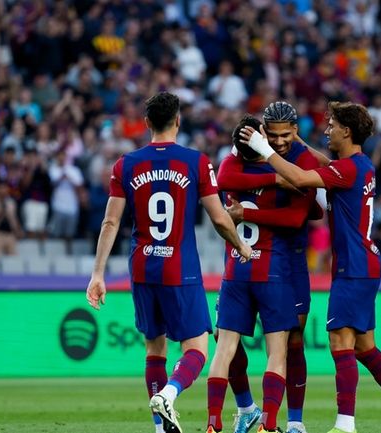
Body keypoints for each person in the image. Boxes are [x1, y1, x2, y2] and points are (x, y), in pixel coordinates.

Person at [241, 102, 381, 433]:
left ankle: (345, 425)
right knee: (364, 346)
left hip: (353, 268)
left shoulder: (349, 170)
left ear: (347, 130)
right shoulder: (360, 166)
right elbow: (326, 165)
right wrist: (297, 143)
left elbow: (301, 176)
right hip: (365, 264)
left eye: (331, 125)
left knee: (340, 341)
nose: (327, 130)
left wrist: (263, 149)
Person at [85, 92, 251, 433]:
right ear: (178, 120)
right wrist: (241, 247)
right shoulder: (196, 161)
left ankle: (161, 429)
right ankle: (170, 394)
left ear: (146, 123)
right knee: (198, 349)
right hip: (180, 268)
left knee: (154, 347)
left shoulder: (125, 165)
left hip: (143, 267)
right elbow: (220, 219)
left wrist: (97, 273)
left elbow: (110, 223)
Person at [206, 113, 316, 433]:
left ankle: (216, 422)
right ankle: (264, 420)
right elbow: (304, 210)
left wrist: (246, 210)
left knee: (226, 348)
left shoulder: (237, 169)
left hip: (240, 267)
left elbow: (225, 178)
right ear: (264, 138)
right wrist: (278, 180)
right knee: (277, 350)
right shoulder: (279, 170)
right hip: (272, 269)